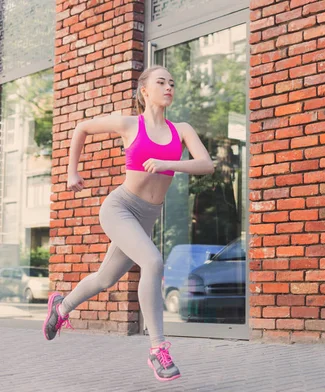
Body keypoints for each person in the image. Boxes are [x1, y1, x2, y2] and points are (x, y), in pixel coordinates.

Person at [42, 65, 215, 381]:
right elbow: (81, 127)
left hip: (147, 217)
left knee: (105, 278)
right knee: (153, 261)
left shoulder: (182, 130)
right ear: (145, 90)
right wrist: (71, 171)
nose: (168, 87)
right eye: (161, 82)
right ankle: (157, 350)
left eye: (172, 83)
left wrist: (167, 163)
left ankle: (61, 307)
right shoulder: (129, 124)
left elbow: (206, 165)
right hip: (120, 209)